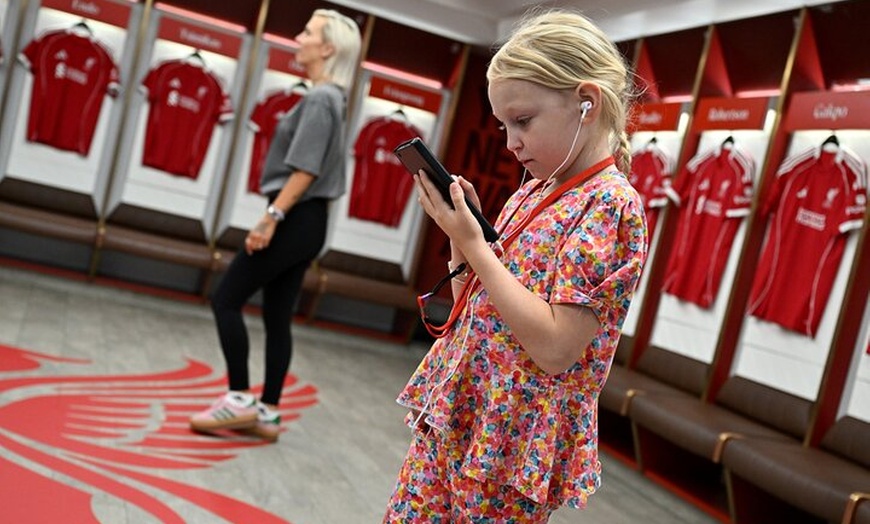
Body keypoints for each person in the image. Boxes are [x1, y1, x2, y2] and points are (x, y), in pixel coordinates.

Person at [384, 8, 647, 522]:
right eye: (504, 125)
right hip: (459, 413)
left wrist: (475, 246)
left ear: (586, 103)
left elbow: (554, 348)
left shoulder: (611, 208)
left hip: (509, 444)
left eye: (523, 121)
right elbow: (474, 308)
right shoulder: (531, 194)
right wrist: (463, 237)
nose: (512, 143)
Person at [190, 9, 361, 442]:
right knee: (276, 314)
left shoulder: (323, 98)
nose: (298, 37)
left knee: (225, 298)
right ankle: (267, 411)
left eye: (307, 32)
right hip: (307, 220)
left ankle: (238, 399)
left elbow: (303, 170)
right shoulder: (330, 96)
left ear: (327, 48)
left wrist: (270, 219)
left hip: (295, 216)